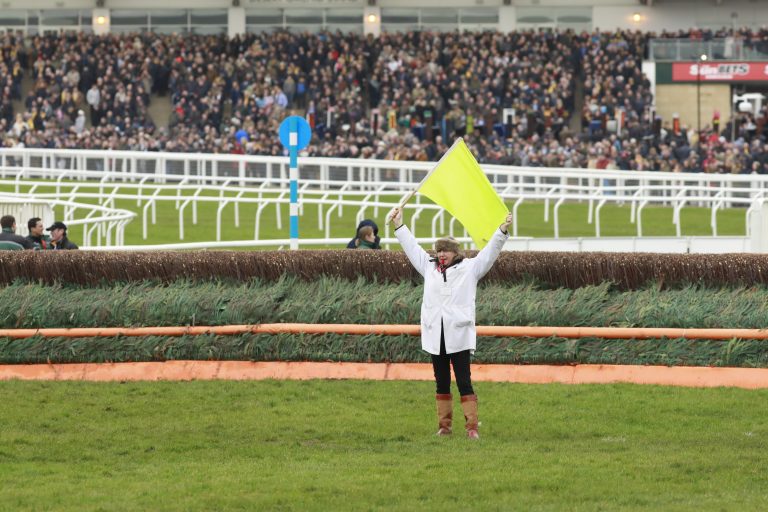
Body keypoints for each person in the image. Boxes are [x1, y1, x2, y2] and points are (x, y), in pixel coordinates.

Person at [389, 207, 513, 439]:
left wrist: (502, 230)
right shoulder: (429, 266)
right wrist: (399, 225)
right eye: (439, 250)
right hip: (436, 335)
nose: (442, 254)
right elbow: (412, 248)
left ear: (456, 253)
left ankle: (471, 428)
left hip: (459, 335)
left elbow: (490, 252)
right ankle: (444, 427)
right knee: (441, 382)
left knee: (464, 382)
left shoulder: (470, 269)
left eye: (446, 251)